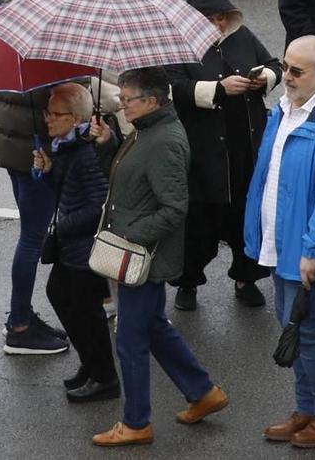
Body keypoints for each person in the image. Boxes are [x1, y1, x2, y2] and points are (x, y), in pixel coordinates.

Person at [91, 64, 228, 448]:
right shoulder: (147, 130)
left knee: (130, 341)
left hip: (143, 258)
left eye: (127, 99)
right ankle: (202, 392)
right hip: (138, 252)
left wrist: (131, 238)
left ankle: (136, 423)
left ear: (152, 100)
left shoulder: (164, 140)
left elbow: (174, 207)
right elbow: (129, 182)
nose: (121, 104)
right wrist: (107, 146)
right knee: (154, 327)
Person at [244, 36, 315, 450]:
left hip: (306, 249)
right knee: (288, 323)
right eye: (286, 67)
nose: (285, 76)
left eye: (295, 70)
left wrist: (313, 249)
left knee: (305, 330)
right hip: (279, 238)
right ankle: (307, 408)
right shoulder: (284, 109)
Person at [171, 0, 275, 311]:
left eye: (221, 17)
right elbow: (175, 88)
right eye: (210, 18)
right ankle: (188, 281)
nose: (217, 24)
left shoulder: (242, 37)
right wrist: (218, 89)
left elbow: (274, 63)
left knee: (244, 217)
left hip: (243, 147)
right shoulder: (178, 45)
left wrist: (264, 79)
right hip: (203, 152)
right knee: (198, 223)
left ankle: (246, 278)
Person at [0, 64, 69, 353]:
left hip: (12, 149)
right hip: (38, 153)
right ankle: (20, 327)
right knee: (31, 238)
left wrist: (9, 119)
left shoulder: (3, 47)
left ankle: (21, 314)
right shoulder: (48, 52)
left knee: (29, 234)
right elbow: (66, 100)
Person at [35, 82, 120, 404]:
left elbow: (98, 205)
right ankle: (91, 363)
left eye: (55, 114)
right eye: (47, 112)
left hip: (84, 249)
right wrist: (47, 171)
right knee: (61, 295)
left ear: (75, 118)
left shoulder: (85, 151)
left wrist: (62, 228)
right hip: (73, 246)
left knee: (85, 311)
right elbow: (67, 192)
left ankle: (105, 377)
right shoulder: (66, 145)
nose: (48, 119)